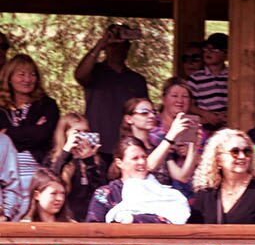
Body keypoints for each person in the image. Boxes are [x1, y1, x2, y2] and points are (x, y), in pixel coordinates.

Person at [74, 24, 149, 155]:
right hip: (95, 147)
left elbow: (145, 116)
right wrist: (101, 44)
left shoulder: (137, 80)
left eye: (123, 45)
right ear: (105, 48)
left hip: (126, 149)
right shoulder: (94, 72)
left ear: (128, 48)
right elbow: (79, 75)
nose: (118, 49)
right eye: (113, 45)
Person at [0, 53, 60, 193]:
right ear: (9, 78)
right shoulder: (1, 109)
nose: (27, 79)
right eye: (21, 74)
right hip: (3, 173)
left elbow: (42, 135)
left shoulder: (47, 105)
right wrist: (32, 130)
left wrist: (7, 133)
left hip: (37, 174)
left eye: (32, 74)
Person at [48, 113, 108, 223]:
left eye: (86, 132)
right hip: (65, 219)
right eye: (77, 132)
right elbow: (50, 184)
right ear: (65, 134)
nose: (83, 136)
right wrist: (65, 153)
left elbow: (101, 191)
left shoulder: (97, 161)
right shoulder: (53, 159)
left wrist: (89, 161)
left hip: (92, 219)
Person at [189, 33, 230, 128]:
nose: (208, 52)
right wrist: (206, 114)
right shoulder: (196, 78)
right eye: (206, 49)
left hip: (227, 125)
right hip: (205, 125)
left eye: (214, 49)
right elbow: (190, 105)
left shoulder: (232, 77)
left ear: (226, 54)